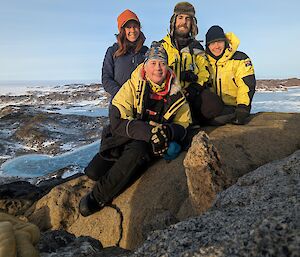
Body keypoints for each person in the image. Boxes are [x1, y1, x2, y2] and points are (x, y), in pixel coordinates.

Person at [79, 42, 192, 217]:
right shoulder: (132, 85)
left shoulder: (176, 93)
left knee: (137, 151)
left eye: (162, 63)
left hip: (148, 145)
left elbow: (184, 125)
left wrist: (168, 133)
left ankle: (98, 197)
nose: (158, 68)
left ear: (168, 66)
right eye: (153, 63)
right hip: (125, 136)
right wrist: (148, 131)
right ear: (145, 66)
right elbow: (116, 120)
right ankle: (120, 167)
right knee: (93, 172)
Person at [160, 2, 223, 125]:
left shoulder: (196, 47)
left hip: (191, 93)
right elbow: (154, 71)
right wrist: (175, 76)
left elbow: (204, 72)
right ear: (174, 21)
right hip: (169, 94)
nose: (184, 22)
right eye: (180, 17)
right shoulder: (162, 46)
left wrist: (195, 87)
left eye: (188, 18)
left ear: (192, 23)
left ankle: (194, 118)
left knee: (214, 104)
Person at [205, 25, 256, 125]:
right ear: (207, 46)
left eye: (219, 41)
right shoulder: (204, 62)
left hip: (234, 107)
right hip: (214, 108)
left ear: (225, 42)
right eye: (212, 43)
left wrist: (242, 107)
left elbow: (246, 85)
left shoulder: (240, 59)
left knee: (214, 122)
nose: (216, 46)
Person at [102, 9, 148, 99]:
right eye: (128, 27)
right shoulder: (112, 51)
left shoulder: (146, 51)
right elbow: (106, 79)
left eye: (135, 26)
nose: (132, 30)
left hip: (142, 104)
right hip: (120, 103)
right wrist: (122, 94)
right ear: (122, 30)